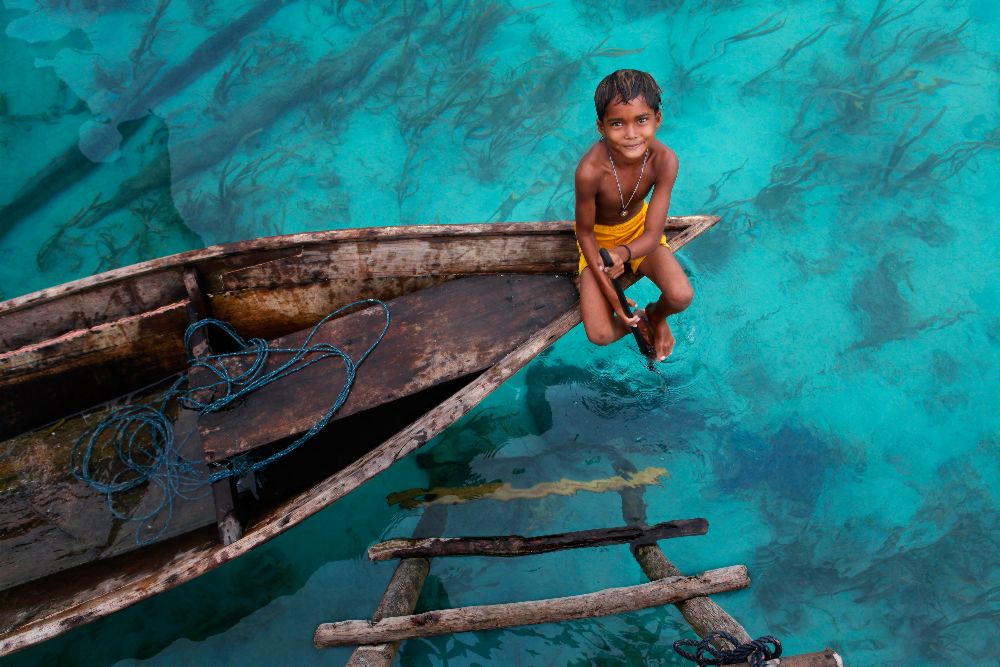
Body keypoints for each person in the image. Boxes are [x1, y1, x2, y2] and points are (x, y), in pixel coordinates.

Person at [574, 69, 693, 361]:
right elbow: (585, 233)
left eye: (642, 120)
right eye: (617, 123)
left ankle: (656, 316)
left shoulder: (665, 161)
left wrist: (624, 254)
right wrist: (616, 301)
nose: (631, 134)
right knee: (600, 335)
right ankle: (639, 321)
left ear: (657, 119)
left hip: (639, 235)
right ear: (601, 127)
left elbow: (653, 234)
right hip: (598, 244)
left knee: (681, 296)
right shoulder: (590, 172)